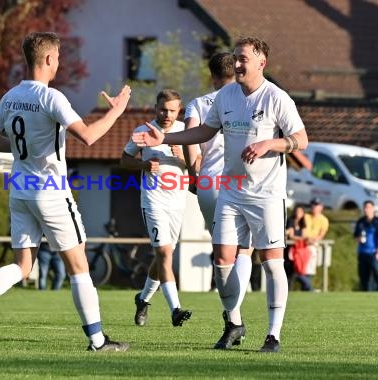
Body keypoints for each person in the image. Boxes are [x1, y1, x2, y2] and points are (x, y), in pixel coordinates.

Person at [0, 32, 131, 351]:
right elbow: (88, 137)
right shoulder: (51, 97)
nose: (59, 63)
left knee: (23, 265)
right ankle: (98, 340)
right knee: (79, 266)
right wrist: (116, 112)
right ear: (48, 59)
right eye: (58, 57)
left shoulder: (10, 96)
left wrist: (27, 151)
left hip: (20, 188)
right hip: (50, 190)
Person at [132, 36, 309, 352]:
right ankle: (234, 323)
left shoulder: (277, 98)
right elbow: (204, 132)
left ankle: (273, 335)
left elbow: (301, 139)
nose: (238, 63)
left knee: (271, 262)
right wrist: (168, 135)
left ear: (261, 63)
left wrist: (270, 144)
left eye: (244, 59)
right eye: (237, 58)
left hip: (266, 194)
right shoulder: (226, 96)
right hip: (230, 190)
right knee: (223, 259)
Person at [184, 52, 254, 332]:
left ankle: (234, 318)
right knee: (244, 252)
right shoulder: (248, 100)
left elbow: (191, 140)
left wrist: (193, 174)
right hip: (242, 182)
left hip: (209, 183)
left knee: (221, 251)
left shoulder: (198, 104)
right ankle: (234, 316)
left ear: (211, 76)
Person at [120, 89, 192, 327]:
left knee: (164, 255)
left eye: (172, 110)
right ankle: (176, 309)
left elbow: (196, 167)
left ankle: (143, 299)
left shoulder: (185, 132)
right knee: (164, 254)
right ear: (155, 108)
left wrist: (182, 156)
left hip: (178, 203)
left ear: (179, 111)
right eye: (163, 109)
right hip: (154, 200)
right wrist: (142, 163)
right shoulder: (143, 131)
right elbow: (124, 159)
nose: (167, 114)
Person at [353, 200, 378, 291]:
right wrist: (359, 239)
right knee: (364, 277)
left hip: (375, 252)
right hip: (363, 252)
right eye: (365, 207)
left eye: (368, 207)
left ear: (373, 208)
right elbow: (356, 236)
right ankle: (367, 296)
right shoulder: (361, 222)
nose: (366, 209)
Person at [303, 198, 329, 289]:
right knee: (300, 267)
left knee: (310, 266)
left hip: (313, 244)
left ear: (321, 207)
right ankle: (308, 287)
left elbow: (322, 234)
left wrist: (313, 240)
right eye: (313, 204)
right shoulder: (306, 216)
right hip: (302, 244)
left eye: (317, 205)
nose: (314, 207)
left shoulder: (324, 220)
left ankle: (308, 287)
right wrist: (306, 239)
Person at [286, 205, 312, 291]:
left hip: (299, 252)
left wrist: (306, 239)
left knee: (297, 271)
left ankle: (307, 287)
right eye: (297, 211)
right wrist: (302, 239)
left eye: (300, 212)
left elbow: (304, 235)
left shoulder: (302, 223)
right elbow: (291, 235)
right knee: (290, 272)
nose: (298, 214)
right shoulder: (290, 221)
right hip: (289, 251)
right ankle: (309, 287)